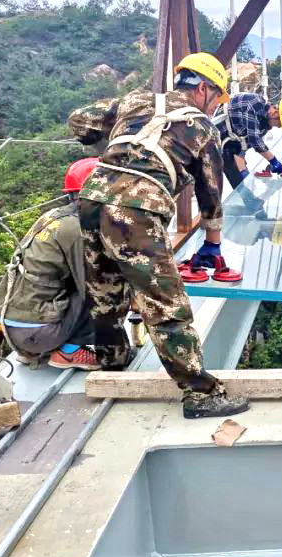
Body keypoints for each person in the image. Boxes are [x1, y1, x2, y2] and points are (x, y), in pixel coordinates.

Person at [67, 52, 248, 419]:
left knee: (105, 292)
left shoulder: (133, 100)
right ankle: (200, 394)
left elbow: (79, 121)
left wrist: (113, 140)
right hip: (136, 208)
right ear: (203, 88)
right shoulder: (201, 127)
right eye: (216, 99)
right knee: (165, 303)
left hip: (92, 196)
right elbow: (211, 192)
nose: (215, 107)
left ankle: (112, 361)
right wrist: (213, 245)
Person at [0, 157, 105, 370]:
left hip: (10, 328)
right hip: (37, 332)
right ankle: (70, 351)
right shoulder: (76, 228)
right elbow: (92, 286)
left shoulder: (52, 217)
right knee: (98, 287)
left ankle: (30, 352)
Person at [219, 92, 282, 189]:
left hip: (230, 144)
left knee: (243, 185)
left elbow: (242, 146)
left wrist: (243, 173)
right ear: (276, 113)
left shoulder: (264, 125)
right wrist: (274, 162)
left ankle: (247, 197)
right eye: (280, 124)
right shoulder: (254, 103)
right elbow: (255, 140)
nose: (279, 127)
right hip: (214, 133)